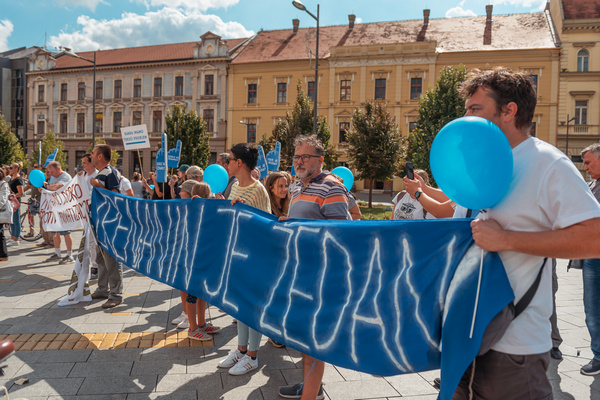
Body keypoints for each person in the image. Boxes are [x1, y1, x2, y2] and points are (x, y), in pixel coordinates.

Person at [452, 67, 600, 399]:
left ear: (509, 110)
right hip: (465, 342)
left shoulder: (547, 163)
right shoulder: (478, 167)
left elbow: (595, 237)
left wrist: (507, 240)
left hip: (513, 352)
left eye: (475, 110)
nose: (466, 119)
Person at [278, 135, 350, 400]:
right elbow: (304, 222)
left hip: (321, 277)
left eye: (305, 157)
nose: (298, 161)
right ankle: (310, 388)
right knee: (304, 340)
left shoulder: (331, 188)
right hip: (301, 273)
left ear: (320, 160)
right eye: (296, 156)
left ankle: (310, 395)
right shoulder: (298, 187)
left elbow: (341, 236)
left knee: (313, 343)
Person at [217, 143, 271, 376]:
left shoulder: (258, 189)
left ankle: (253, 356)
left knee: (252, 305)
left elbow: (265, 224)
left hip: (255, 256)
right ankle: (240, 350)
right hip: (237, 254)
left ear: (239, 163)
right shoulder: (236, 186)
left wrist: (244, 212)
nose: (226, 163)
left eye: (229, 159)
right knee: (240, 305)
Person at [89, 144, 124, 309]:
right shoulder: (102, 173)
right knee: (100, 258)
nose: (91, 156)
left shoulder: (110, 172)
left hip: (109, 223)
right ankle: (103, 289)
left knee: (111, 259)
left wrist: (97, 185)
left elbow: (116, 196)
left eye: (94, 153)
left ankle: (116, 294)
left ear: (100, 156)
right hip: (100, 222)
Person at [579, 143, 600, 375]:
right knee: (593, 309)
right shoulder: (590, 186)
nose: (585, 167)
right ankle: (598, 355)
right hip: (593, 257)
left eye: (588, 162)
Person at [42, 161, 75, 263]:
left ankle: (70, 255)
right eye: (49, 172)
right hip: (55, 207)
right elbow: (52, 189)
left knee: (66, 232)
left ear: (58, 169)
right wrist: (44, 190)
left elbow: (57, 187)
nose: (50, 174)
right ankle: (57, 253)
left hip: (65, 208)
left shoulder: (65, 177)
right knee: (55, 231)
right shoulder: (53, 176)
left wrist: (47, 186)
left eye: (52, 172)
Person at [22, 163, 43, 239]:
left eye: (36, 167)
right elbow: (28, 186)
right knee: (30, 215)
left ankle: (41, 232)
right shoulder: (33, 176)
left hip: (40, 198)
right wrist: (21, 192)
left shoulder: (42, 176)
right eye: (33, 167)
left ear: (40, 168)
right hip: (33, 198)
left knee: (41, 216)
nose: (34, 168)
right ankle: (31, 232)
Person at [6, 163, 24, 247]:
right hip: (10, 202)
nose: (10, 169)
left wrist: (12, 197)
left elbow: (21, 193)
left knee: (16, 220)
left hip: (15, 202)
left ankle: (16, 239)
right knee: (12, 220)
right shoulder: (12, 178)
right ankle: (13, 237)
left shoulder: (18, 179)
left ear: (16, 169)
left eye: (11, 168)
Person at [0, 169, 10, 262]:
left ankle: (4, 255)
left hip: (0, 211)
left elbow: (3, 199)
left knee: (0, 233)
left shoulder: (3, 184)